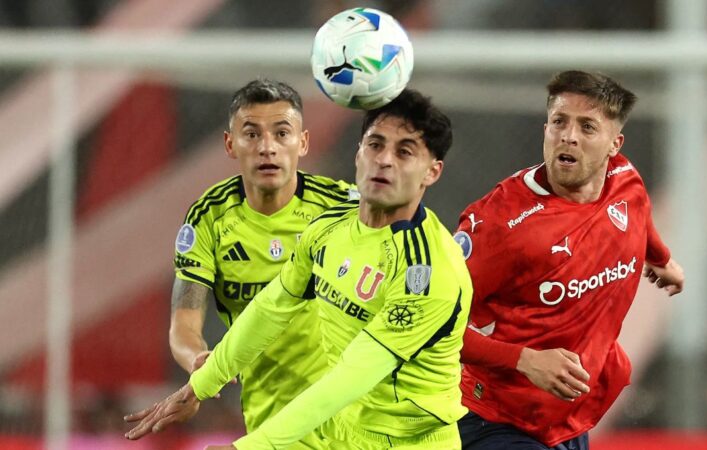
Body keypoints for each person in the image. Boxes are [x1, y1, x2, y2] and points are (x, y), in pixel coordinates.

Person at [125, 88, 473, 450]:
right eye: (374, 144)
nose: (384, 160)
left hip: (407, 444)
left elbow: (351, 378)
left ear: (431, 172)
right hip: (338, 431)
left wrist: (246, 448)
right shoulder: (328, 228)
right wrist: (200, 384)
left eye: (404, 152)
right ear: (358, 152)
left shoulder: (428, 270)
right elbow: (271, 308)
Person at [454, 70, 685, 450]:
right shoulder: (499, 224)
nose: (569, 136)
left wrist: (660, 259)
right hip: (494, 419)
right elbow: (429, 325)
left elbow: (638, 216)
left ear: (615, 144)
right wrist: (524, 359)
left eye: (587, 127)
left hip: (568, 421)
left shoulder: (625, 179)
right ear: (546, 129)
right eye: (560, 122)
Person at [168, 79, 355, 447]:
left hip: (355, 412)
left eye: (282, 133)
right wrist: (197, 360)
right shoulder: (209, 218)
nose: (267, 147)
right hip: (271, 420)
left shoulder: (343, 209)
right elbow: (183, 323)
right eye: (251, 134)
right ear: (230, 144)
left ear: (302, 142)